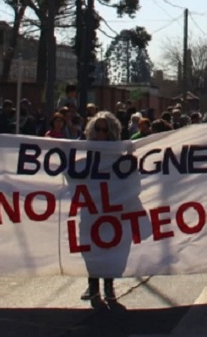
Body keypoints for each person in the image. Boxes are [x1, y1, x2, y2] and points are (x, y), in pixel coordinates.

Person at [80, 111, 123, 303]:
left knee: (109, 248)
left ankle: (108, 286)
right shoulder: (83, 151)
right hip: (89, 208)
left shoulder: (117, 153)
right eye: (97, 129)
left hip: (110, 208)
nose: (100, 133)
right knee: (89, 248)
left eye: (104, 130)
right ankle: (93, 285)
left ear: (112, 131)